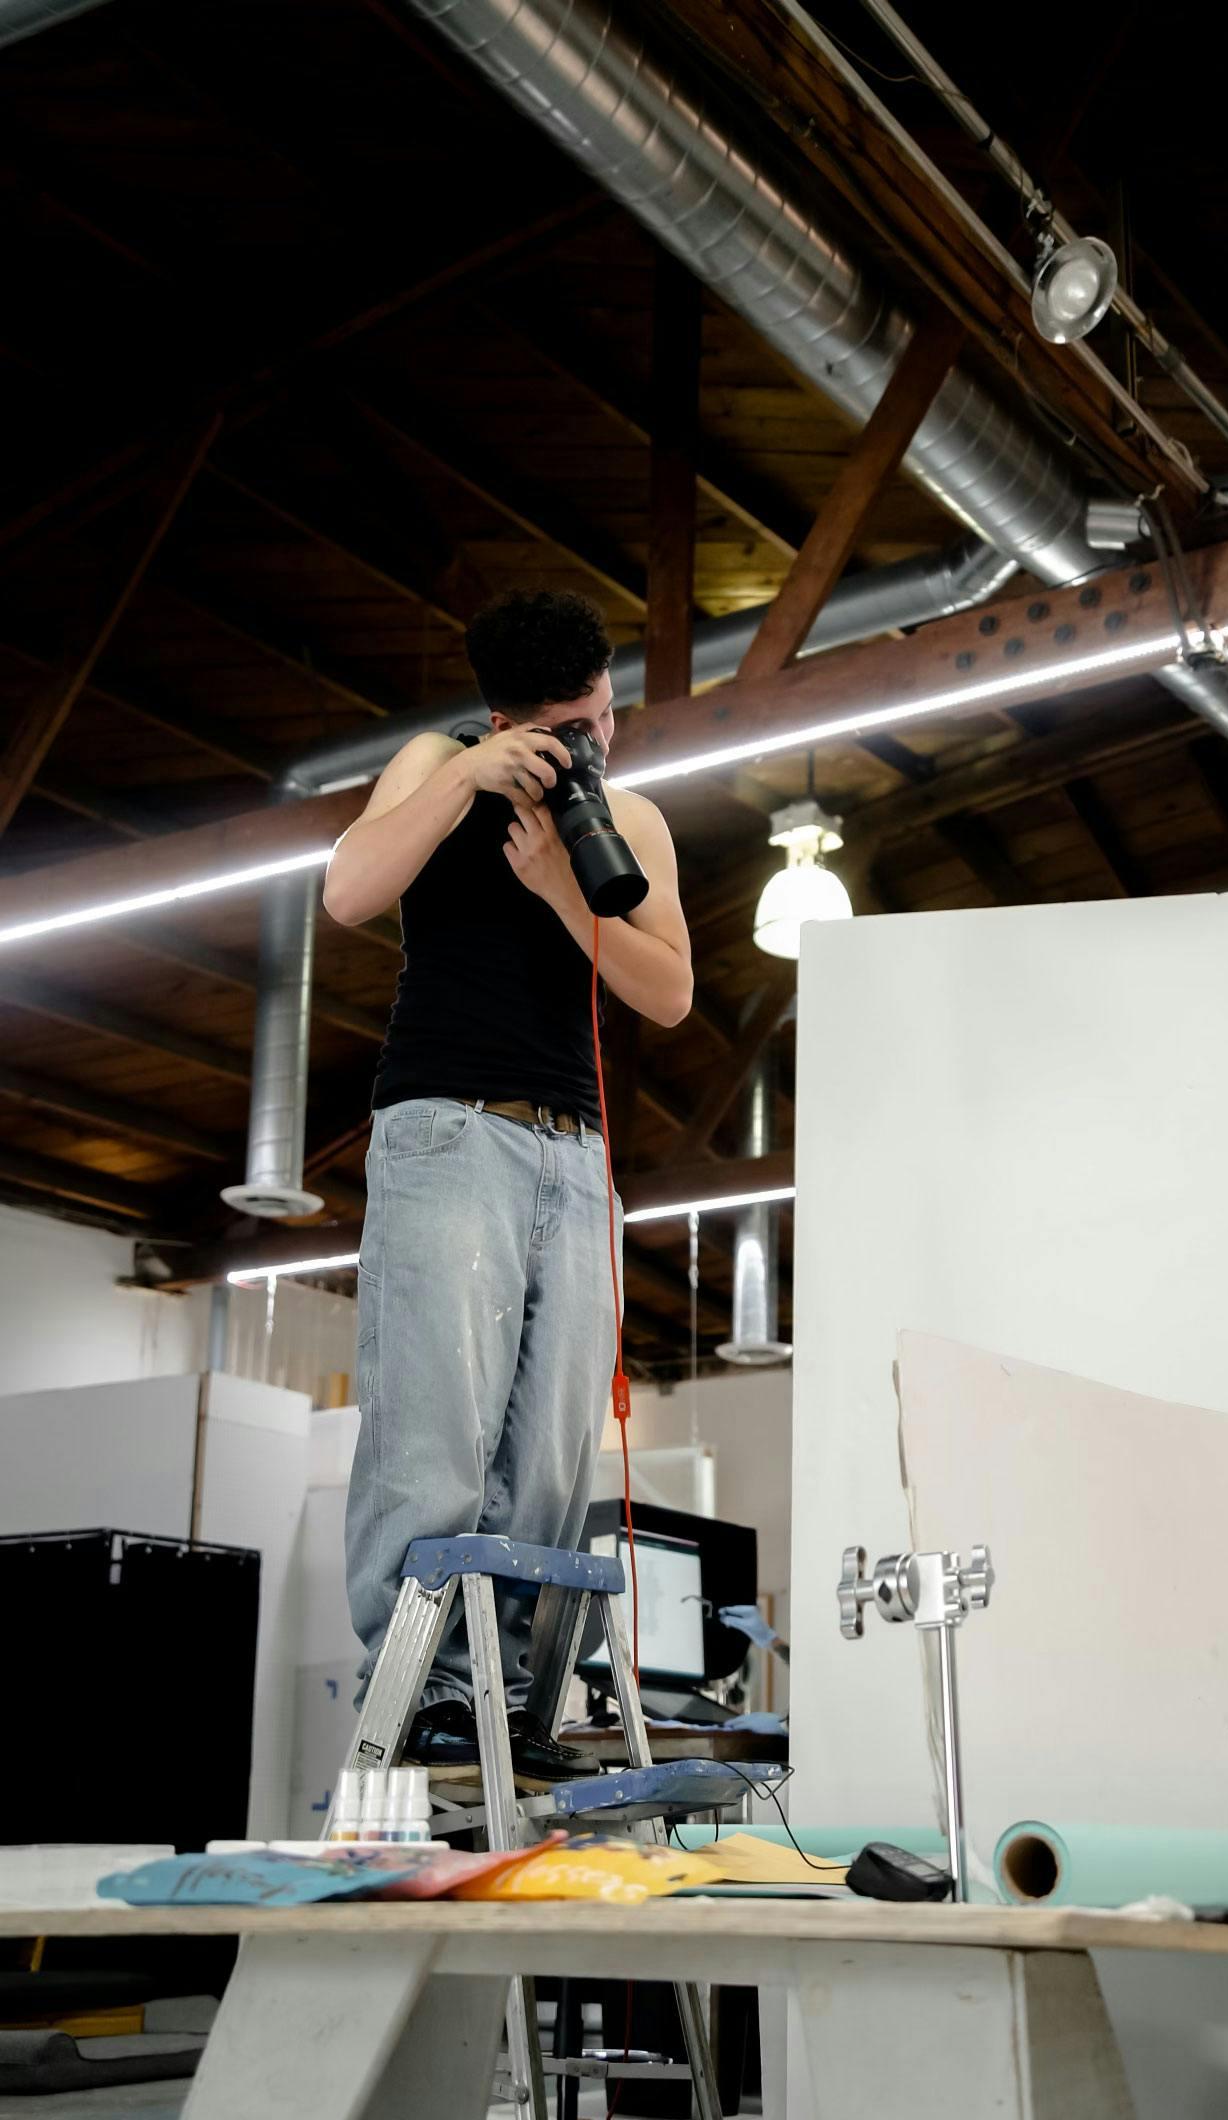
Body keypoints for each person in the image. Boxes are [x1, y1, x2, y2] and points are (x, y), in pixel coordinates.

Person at [324, 589, 693, 1785]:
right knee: (435, 1420)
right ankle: (426, 1685)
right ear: (507, 719)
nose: (602, 741)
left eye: (603, 715)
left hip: (574, 1152)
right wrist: (470, 778)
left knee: (549, 1451)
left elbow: (670, 990)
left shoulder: (630, 814)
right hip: (447, 1126)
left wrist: (555, 890)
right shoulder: (436, 764)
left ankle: (520, 1693)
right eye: (578, 727)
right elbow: (347, 889)